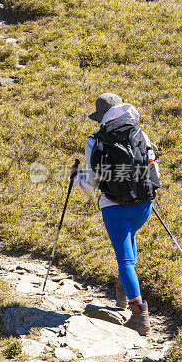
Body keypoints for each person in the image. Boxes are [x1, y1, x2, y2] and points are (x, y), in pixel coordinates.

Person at [71, 93, 160, 336]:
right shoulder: (140, 133)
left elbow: (89, 184)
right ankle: (122, 294)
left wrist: (75, 178)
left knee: (125, 260)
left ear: (101, 117)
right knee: (129, 243)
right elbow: (153, 169)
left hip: (114, 208)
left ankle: (139, 314)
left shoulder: (96, 141)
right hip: (144, 206)